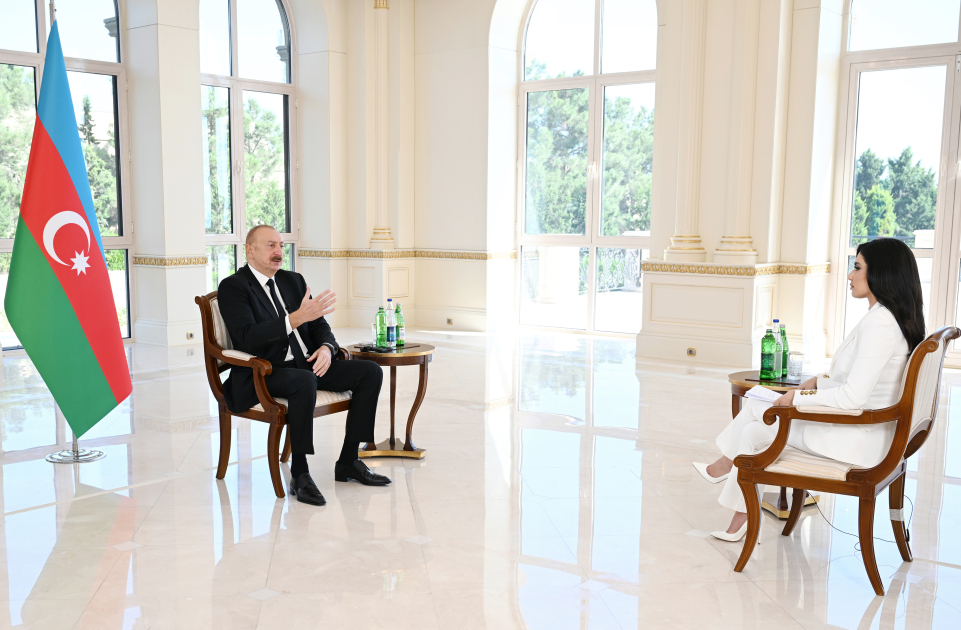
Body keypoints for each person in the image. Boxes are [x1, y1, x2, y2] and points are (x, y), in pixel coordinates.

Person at [693, 238, 925, 540]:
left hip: (858, 440)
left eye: (857, 268)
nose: (850, 275)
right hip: (865, 431)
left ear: (882, 273)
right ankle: (739, 521)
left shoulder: (880, 325)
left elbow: (853, 397)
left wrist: (798, 397)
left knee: (756, 407)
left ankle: (724, 467)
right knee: (752, 430)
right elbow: (860, 382)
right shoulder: (888, 318)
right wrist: (818, 381)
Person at [218, 225, 390, 506]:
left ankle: (349, 461)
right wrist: (295, 319)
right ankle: (300, 474)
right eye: (271, 245)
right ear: (250, 250)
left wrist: (326, 348)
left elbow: (320, 325)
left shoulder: (293, 280)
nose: (278, 251)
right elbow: (247, 337)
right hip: (264, 372)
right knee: (303, 380)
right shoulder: (234, 287)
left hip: (307, 364)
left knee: (369, 372)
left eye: (280, 245)